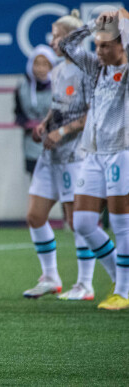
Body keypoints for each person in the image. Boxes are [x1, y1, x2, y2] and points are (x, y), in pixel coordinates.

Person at [22, 11, 104, 300]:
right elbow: (58, 105)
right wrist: (45, 125)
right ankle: (51, 276)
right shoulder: (58, 70)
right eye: (53, 35)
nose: (53, 41)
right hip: (50, 155)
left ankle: (85, 284)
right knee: (34, 215)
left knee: (76, 220)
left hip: (75, 155)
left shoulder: (90, 68)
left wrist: (64, 131)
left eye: (57, 35)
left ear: (72, 38)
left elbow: (92, 113)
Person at [61, 8, 129, 310]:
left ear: (122, 45)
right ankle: (120, 278)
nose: (99, 51)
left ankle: (124, 292)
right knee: (84, 222)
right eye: (97, 45)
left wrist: (123, 19)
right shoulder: (96, 68)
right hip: (93, 154)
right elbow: (66, 46)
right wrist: (92, 26)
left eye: (106, 45)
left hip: (121, 152)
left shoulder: (126, 72)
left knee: (119, 222)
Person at [15, 45, 58, 175]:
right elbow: (18, 113)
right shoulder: (23, 86)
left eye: (45, 64)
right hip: (32, 144)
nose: (40, 69)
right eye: (37, 64)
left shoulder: (58, 85)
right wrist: (28, 124)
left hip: (55, 144)